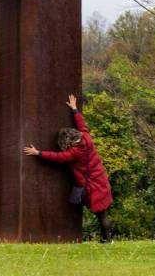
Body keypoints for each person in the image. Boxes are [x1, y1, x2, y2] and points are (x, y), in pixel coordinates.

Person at [23, 94, 113, 243]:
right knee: (102, 213)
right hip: (100, 180)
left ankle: (107, 240)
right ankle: (107, 239)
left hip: (92, 186)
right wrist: (75, 109)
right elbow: (82, 125)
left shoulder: (74, 152)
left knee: (101, 214)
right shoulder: (85, 137)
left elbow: (57, 157)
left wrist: (38, 152)